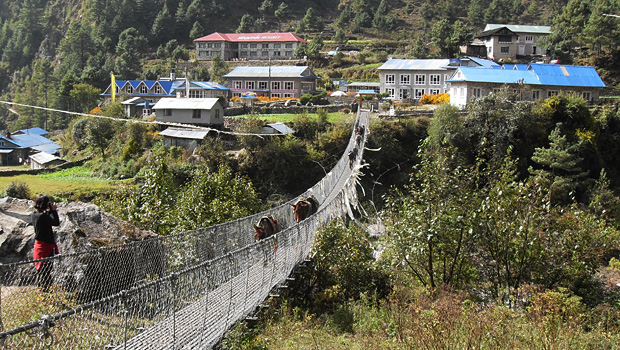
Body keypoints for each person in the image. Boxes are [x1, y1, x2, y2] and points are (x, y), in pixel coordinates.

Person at [31, 194, 60, 290]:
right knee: (47, 270)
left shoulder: (34, 215)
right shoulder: (43, 216)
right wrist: (54, 211)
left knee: (40, 270)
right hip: (46, 246)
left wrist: (50, 211)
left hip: (39, 246)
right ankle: (46, 290)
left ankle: (42, 289)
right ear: (45, 204)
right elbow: (56, 223)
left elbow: (45, 218)